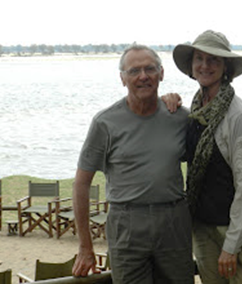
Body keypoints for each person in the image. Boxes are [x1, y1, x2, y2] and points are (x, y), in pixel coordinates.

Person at [71, 44, 194, 284]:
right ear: (122, 79)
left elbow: (207, 156)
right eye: (134, 71)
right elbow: (81, 184)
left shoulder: (180, 117)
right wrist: (85, 247)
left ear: (162, 74)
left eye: (150, 69)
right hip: (126, 224)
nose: (143, 76)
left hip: (174, 221)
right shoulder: (105, 123)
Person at [167, 30, 242, 284]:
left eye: (213, 60)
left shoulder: (238, 116)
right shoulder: (196, 111)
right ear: (191, 65)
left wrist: (232, 245)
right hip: (204, 226)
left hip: (240, 231)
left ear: (225, 66)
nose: (205, 66)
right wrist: (166, 103)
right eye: (199, 58)